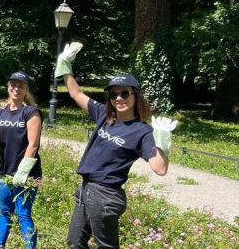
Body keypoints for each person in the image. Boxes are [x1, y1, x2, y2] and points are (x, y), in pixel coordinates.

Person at [57, 43, 177, 248]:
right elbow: (76, 93)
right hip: (85, 189)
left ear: (135, 95)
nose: (119, 98)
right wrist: (65, 66)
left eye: (124, 93)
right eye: (113, 95)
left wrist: (162, 140)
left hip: (106, 195)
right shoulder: (104, 116)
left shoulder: (141, 131)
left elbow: (160, 168)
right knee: (74, 242)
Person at [0, 71, 42, 248]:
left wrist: (23, 172)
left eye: (21, 86)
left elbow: (33, 145)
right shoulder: (1, 112)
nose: (16, 89)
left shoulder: (31, 112)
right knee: (4, 212)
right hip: (4, 173)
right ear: (8, 87)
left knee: (23, 214)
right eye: (13, 85)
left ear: (26, 90)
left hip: (27, 175)